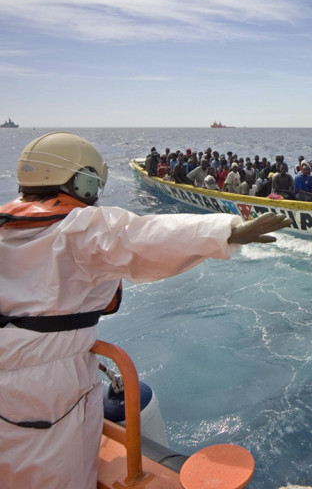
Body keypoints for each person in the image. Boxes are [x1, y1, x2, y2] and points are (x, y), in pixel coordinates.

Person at [0, 132, 291, 488]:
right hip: (48, 388)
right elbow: (142, 237)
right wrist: (226, 231)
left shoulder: (7, 226)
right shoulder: (76, 228)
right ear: (83, 182)